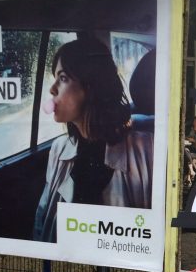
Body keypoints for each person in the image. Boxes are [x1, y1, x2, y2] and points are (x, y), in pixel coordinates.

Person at [33, 37, 153, 243]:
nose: (52, 89)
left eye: (62, 78)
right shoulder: (59, 149)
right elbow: (41, 222)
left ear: (91, 86)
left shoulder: (146, 150)